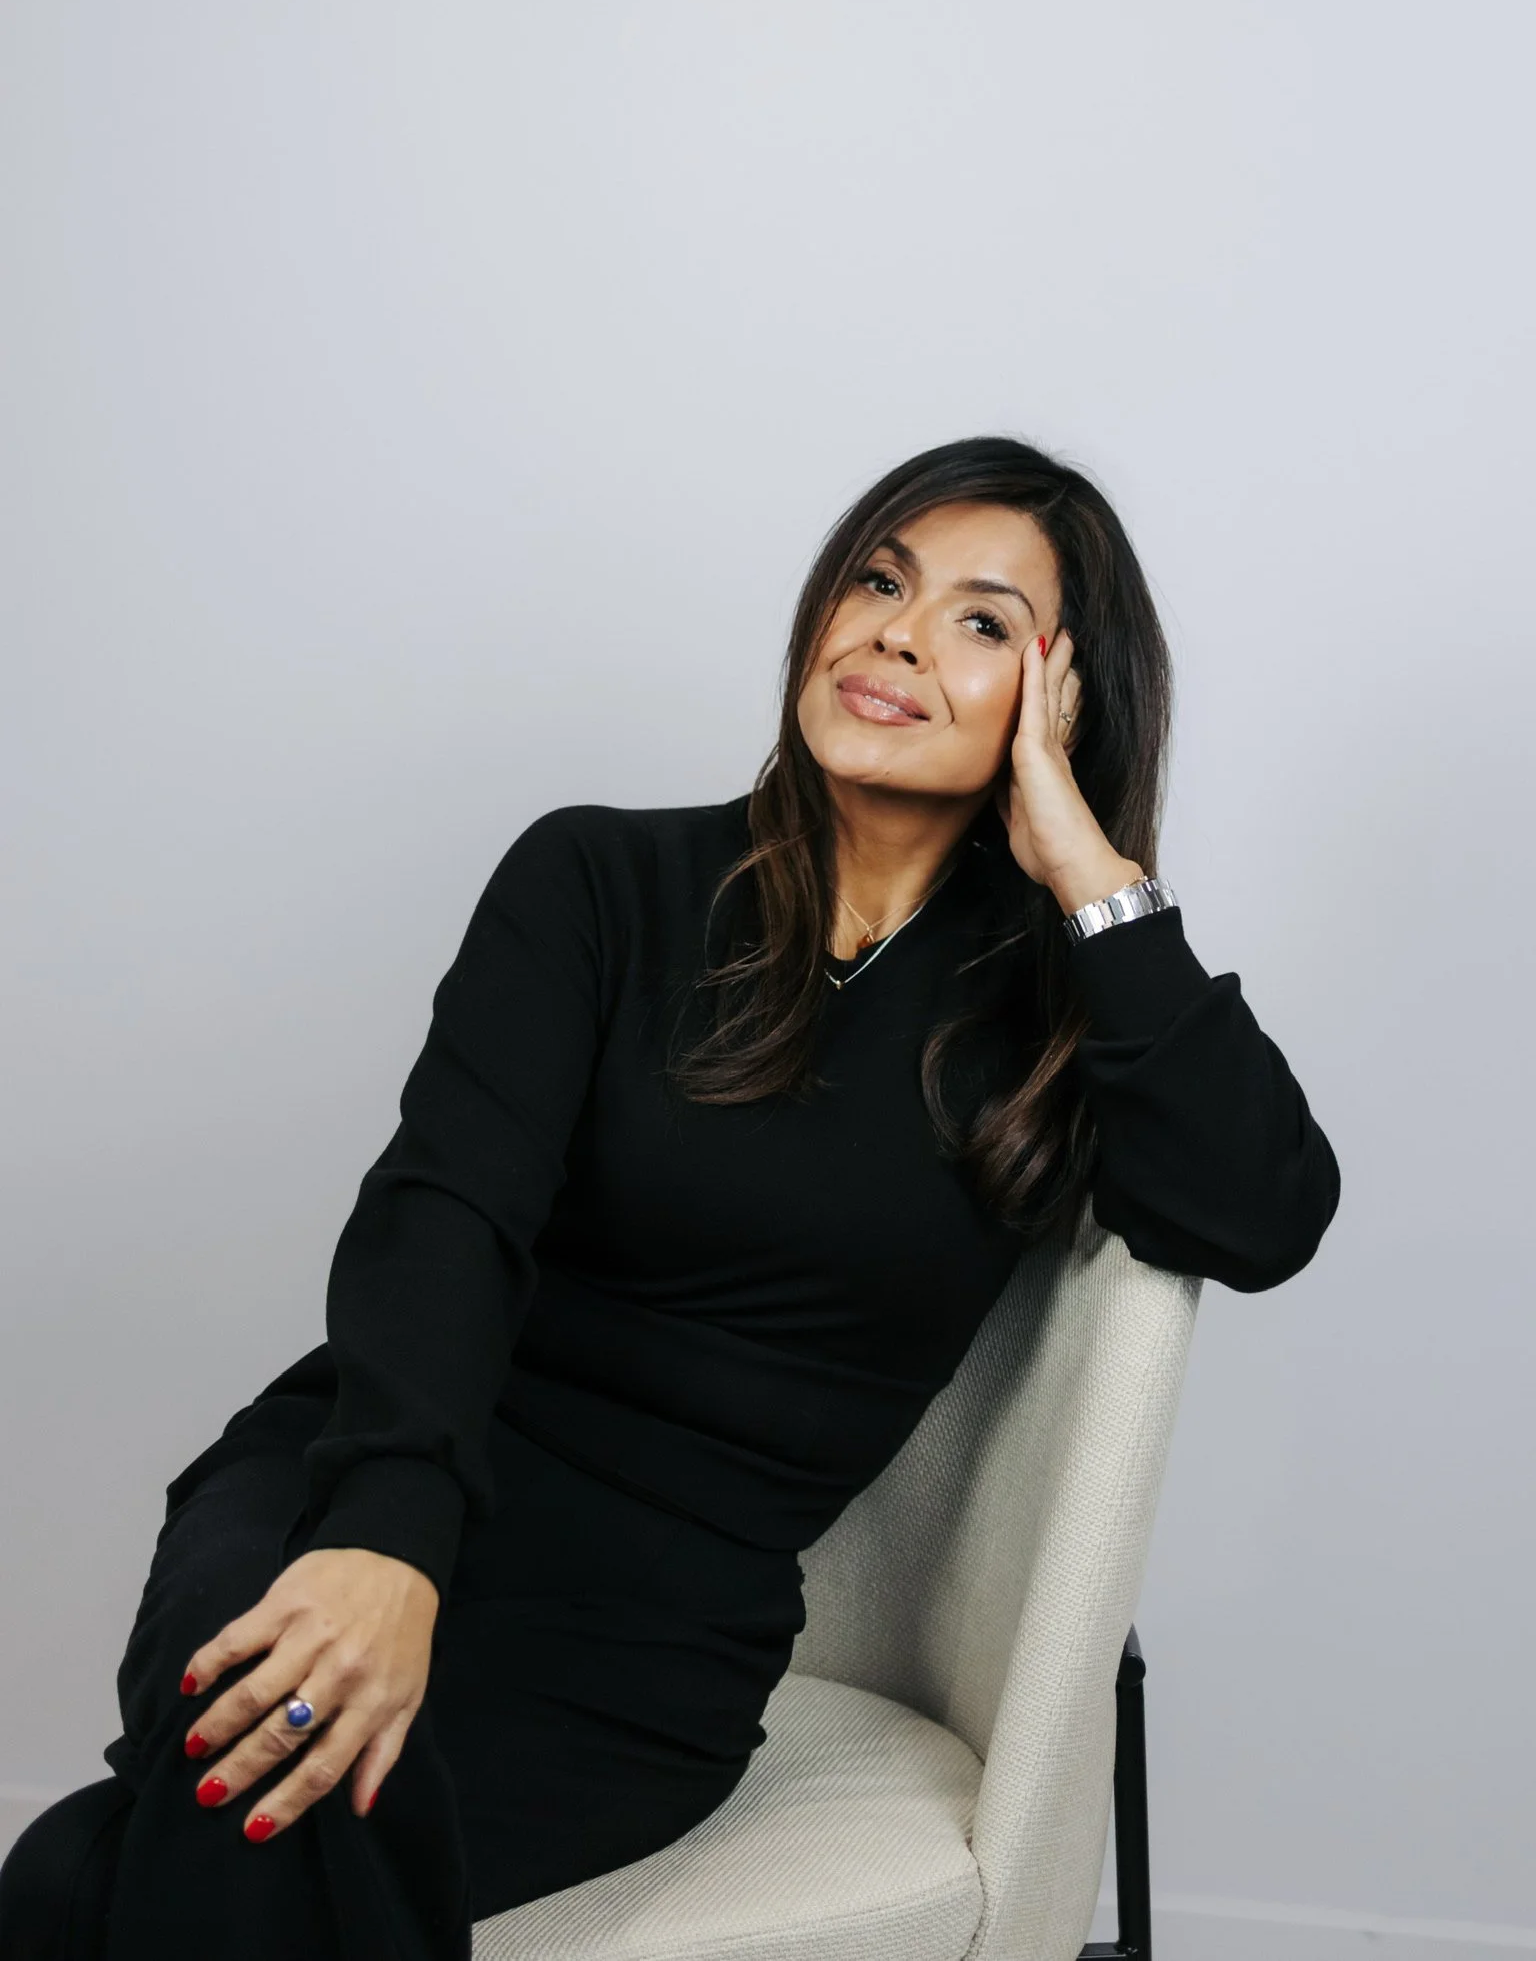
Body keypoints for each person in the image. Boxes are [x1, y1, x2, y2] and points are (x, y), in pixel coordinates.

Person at [0, 435, 1341, 1960]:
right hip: (364, 1476)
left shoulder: (1059, 1016)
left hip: (644, 1636)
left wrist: (1089, 865)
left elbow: (1266, 1209)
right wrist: (387, 1540)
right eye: (880, 579)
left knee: (135, 1872)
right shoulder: (597, 881)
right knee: (280, 1746)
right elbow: (445, 1209)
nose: (898, 631)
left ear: (1063, 696)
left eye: (981, 620)